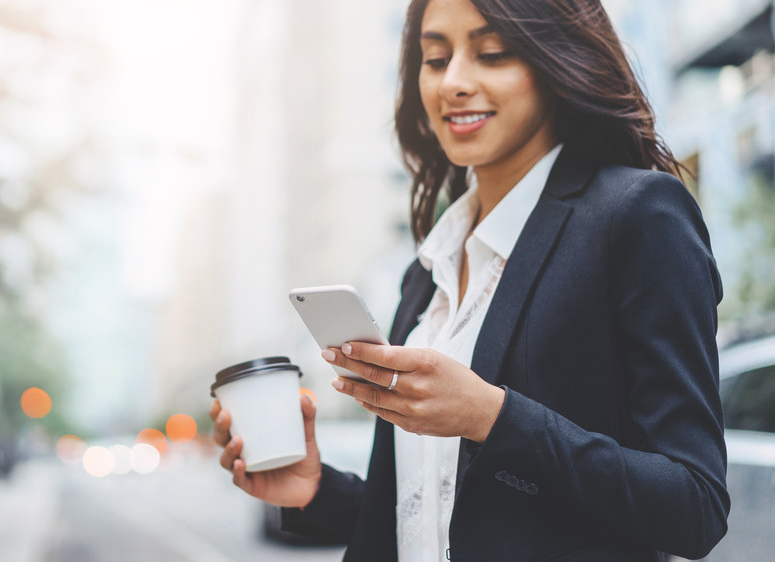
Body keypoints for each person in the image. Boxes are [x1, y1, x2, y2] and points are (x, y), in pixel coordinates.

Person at [209, 0, 730, 559]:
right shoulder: (427, 271)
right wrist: (315, 489)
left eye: (492, 53)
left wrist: (491, 417)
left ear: (557, 59)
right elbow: (435, 522)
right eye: (435, 58)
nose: (454, 82)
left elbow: (694, 507)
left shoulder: (637, 217)